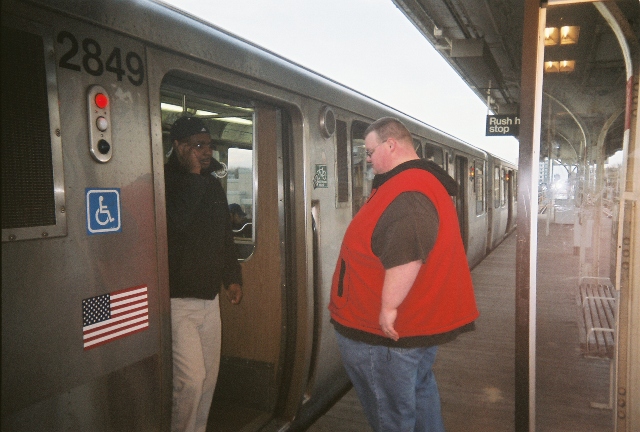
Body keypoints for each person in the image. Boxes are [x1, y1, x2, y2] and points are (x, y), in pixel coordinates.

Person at [328, 117, 479, 432]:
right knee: (419, 394)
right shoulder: (413, 183)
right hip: (408, 330)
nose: (367, 159)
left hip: (385, 336)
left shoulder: (408, 190)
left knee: (392, 416)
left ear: (391, 144)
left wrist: (388, 308)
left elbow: (407, 254)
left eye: (370, 151)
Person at [165, 116, 244, 432]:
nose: (205, 152)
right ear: (179, 147)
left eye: (208, 146)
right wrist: (196, 175)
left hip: (210, 299)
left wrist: (232, 276)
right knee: (191, 381)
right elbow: (177, 222)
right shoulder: (166, 184)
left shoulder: (211, 185)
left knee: (209, 379)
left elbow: (224, 235)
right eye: (197, 146)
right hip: (178, 301)